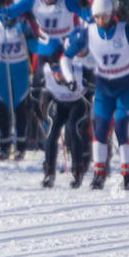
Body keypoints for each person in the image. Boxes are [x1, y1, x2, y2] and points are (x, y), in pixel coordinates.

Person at [59, 0, 129, 190]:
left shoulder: (125, 31)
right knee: (100, 129)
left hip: (126, 84)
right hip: (104, 84)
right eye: (96, 17)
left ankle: (127, 172)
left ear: (111, 14)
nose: (99, 20)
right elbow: (65, 58)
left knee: (121, 127)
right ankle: (98, 173)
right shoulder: (89, 32)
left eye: (103, 16)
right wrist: (69, 79)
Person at [0, 0, 35, 160]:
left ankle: (21, 146)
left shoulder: (22, 22)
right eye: (1, 7)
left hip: (20, 67)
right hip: (2, 66)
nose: (5, 11)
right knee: (2, 106)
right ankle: (4, 146)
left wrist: (29, 34)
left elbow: (34, 47)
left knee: (20, 106)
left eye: (8, 6)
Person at [40, 40, 90, 188]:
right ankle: (49, 172)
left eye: (62, 72)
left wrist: (89, 88)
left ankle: (77, 171)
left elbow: (93, 83)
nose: (59, 76)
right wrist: (43, 108)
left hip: (77, 103)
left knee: (72, 128)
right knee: (52, 133)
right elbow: (40, 94)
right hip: (60, 104)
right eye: (57, 73)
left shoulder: (78, 70)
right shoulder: (47, 72)